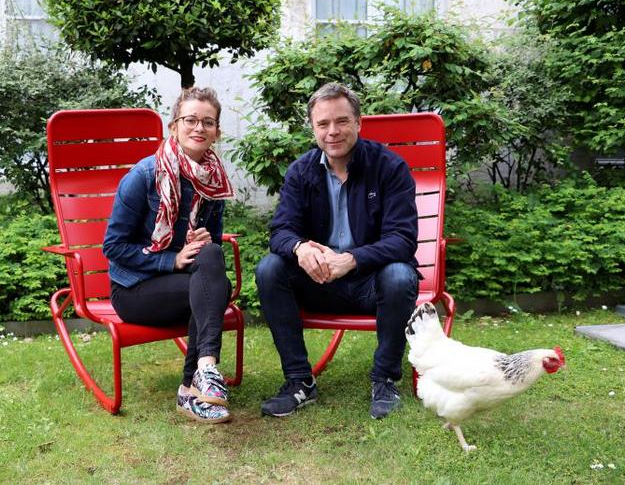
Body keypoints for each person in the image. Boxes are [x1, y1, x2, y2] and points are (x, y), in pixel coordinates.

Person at [256, 82, 419, 420]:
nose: (333, 132)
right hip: (318, 281)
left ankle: (385, 380)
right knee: (270, 268)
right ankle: (299, 381)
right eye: (323, 124)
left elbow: (403, 238)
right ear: (313, 128)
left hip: (370, 284)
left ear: (359, 123)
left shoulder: (389, 167)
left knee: (401, 275)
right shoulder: (301, 171)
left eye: (342, 121)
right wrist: (299, 248)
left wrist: (353, 259)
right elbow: (280, 231)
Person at [103, 87, 235, 423]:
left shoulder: (214, 183)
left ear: (217, 132)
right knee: (206, 291)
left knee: (212, 258)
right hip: (135, 289)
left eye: (208, 122)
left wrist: (203, 240)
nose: (199, 128)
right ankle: (195, 386)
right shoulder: (145, 175)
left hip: (185, 285)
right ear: (173, 126)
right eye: (190, 119)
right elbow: (114, 247)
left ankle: (202, 373)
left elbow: (210, 255)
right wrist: (171, 260)